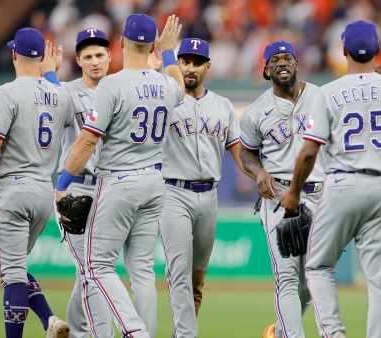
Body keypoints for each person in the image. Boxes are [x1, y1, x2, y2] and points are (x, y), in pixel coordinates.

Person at [279, 20, 381, 338]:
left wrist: (293, 192)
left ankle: (334, 333)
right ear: (377, 50)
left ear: (343, 50)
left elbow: (308, 152)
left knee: (318, 267)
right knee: (380, 280)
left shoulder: (328, 91)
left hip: (343, 183)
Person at [54, 14, 184, 338]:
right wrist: (168, 53)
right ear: (153, 44)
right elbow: (180, 86)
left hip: (119, 182)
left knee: (97, 267)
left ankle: (134, 331)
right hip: (155, 182)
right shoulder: (166, 83)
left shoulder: (112, 84)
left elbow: (87, 140)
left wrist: (61, 185)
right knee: (141, 270)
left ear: (121, 43)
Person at [0, 28, 72, 338]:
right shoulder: (60, 92)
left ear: (14, 54)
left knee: (12, 276)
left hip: (11, 189)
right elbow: (74, 117)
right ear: (44, 58)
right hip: (43, 193)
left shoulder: (7, 92)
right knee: (16, 269)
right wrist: (53, 78)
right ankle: (49, 321)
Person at [158, 37, 252, 338]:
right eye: (185, 61)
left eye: (197, 62)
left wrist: (260, 176)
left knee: (197, 280)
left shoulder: (222, 106)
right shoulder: (166, 100)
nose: (190, 67)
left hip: (208, 196)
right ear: (177, 64)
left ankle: (180, 333)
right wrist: (164, 55)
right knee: (180, 271)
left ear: (207, 67)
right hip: (173, 193)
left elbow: (238, 150)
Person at [239, 40, 326, 338]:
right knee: (287, 277)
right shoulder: (255, 111)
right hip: (279, 196)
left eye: (287, 58)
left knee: (314, 280)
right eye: (274, 60)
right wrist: (258, 171)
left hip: (321, 193)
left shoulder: (321, 97)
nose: (281, 63)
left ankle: (278, 331)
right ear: (266, 70)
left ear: (297, 63)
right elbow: (246, 153)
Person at [53, 28, 114, 338]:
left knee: (90, 271)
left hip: (109, 188)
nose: (94, 61)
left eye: (99, 55)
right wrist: (47, 77)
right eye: (88, 56)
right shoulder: (66, 91)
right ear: (78, 60)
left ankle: (68, 331)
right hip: (74, 188)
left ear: (110, 56)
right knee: (93, 270)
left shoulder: (119, 89)